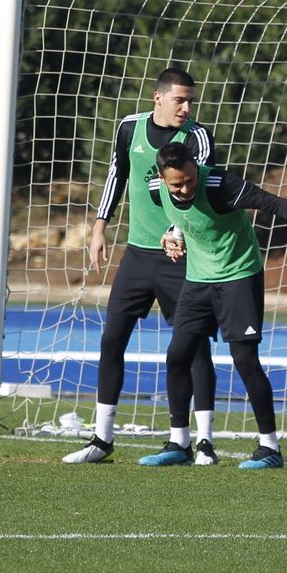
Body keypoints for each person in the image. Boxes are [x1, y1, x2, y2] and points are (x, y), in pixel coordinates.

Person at [146, 141, 287, 470]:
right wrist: (171, 233)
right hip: (198, 280)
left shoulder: (221, 185)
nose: (187, 187)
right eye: (178, 183)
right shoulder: (155, 190)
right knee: (178, 355)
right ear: (164, 181)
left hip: (239, 277)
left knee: (244, 360)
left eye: (191, 179)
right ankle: (179, 442)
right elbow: (181, 216)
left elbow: (274, 204)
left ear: (196, 168)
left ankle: (270, 447)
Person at [64, 68, 219, 465]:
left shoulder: (198, 137)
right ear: (158, 98)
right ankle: (101, 439)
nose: (187, 107)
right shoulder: (129, 128)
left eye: (190, 100)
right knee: (112, 339)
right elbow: (118, 174)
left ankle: (200, 442)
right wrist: (100, 226)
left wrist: (174, 232)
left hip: (180, 258)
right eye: (180, 100)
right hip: (136, 255)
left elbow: (193, 191)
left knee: (193, 346)